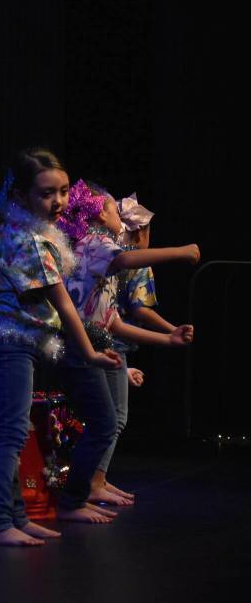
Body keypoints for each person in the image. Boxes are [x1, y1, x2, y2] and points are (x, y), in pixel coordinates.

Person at [0, 147, 121, 547]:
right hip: (9, 340)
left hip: (23, 338)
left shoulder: (36, 232)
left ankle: (16, 515)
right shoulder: (28, 241)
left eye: (64, 191)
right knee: (12, 431)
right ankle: (0, 521)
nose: (59, 202)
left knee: (17, 430)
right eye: (46, 194)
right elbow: (64, 303)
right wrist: (88, 352)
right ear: (21, 196)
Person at [56, 182, 198, 506]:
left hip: (98, 337)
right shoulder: (94, 243)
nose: (118, 213)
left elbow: (114, 322)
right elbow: (126, 261)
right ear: (100, 215)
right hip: (82, 341)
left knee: (109, 421)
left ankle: (86, 489)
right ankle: (76, 495)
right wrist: (181, 252)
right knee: (105, 422)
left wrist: (168, 338)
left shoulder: (100, 251)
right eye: (112, 208)